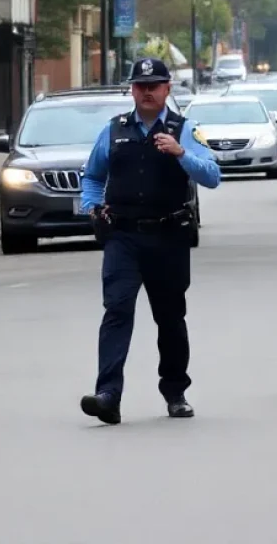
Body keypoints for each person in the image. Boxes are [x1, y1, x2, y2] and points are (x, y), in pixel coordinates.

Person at [78, 57, 220, 425]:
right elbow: (92, 176)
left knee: (170, 317)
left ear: (167, 89)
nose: (147, 92)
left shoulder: (184, 129)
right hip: (123, 236)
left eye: (154, 85)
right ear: (132, 90)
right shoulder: (114, 130)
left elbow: (212, 175)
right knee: (117, 310)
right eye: (140, 86)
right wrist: (93, 207)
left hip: (168, 235)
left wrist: (181, 153)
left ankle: (175, 392)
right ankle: (108, 394)